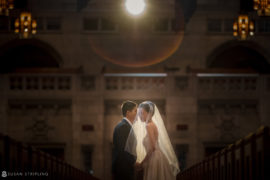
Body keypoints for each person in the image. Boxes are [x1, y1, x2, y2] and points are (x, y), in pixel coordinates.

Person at [125, 101, 180, 180]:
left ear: (149, 113)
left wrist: (142, 163)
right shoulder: (153, 124)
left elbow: (152, 147)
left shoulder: (149, 126)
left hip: (154, 158)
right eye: (139, 113)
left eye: (142, 113)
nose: (140, 116)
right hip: (158, 157)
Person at [112, 100, 139, 180]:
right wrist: (134, 162)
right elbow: (123, 149)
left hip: (125, 167)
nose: (137, 113)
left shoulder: (126, 126)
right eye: (135, 111)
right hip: (122, 168)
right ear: (128, 112)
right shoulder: (123, 127)